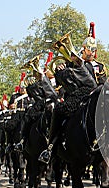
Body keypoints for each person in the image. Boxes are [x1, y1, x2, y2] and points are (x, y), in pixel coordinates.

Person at [38, 28, 97, 164]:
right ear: (83, 49)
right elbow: (60, 84)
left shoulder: (94, 67)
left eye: (94, 50)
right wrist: (61, 71)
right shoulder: (67, 64)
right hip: (74, 97)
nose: (93, 53)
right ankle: (50, 146)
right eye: (90, 50)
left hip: (90, 96)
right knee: (58, 111)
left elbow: (98, 83)